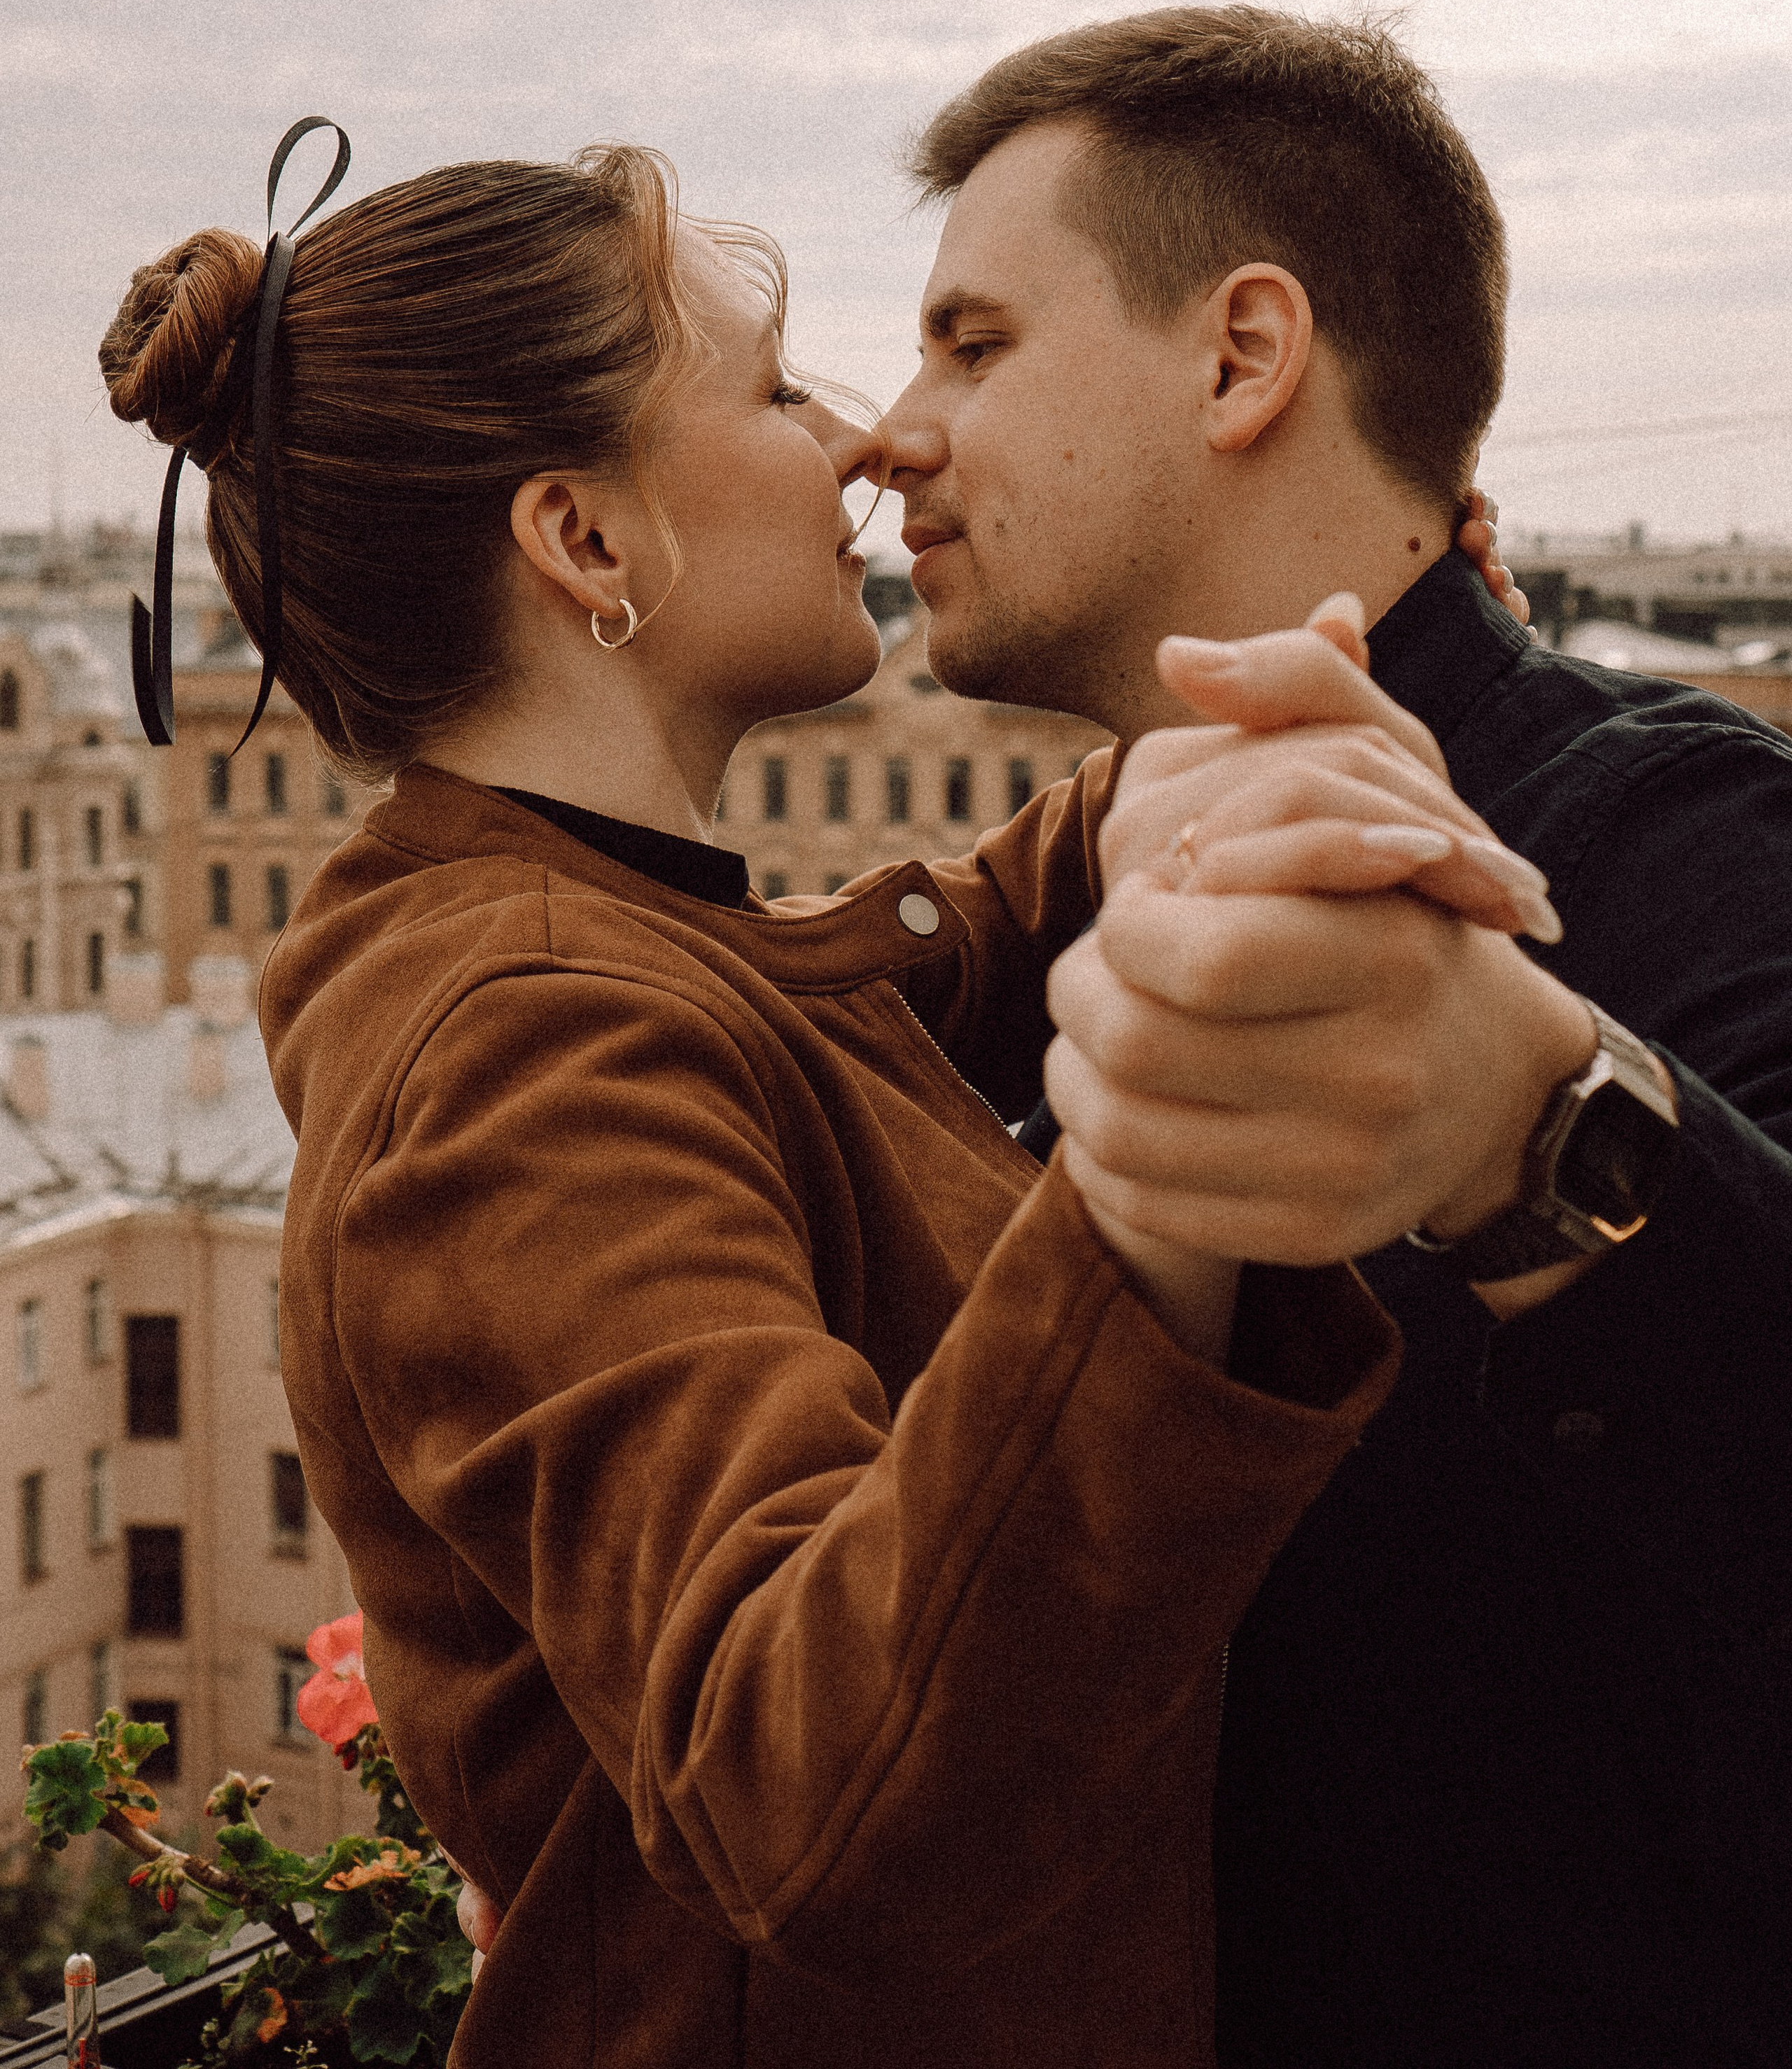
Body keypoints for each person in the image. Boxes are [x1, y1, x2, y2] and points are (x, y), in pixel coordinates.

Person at [97, 132, 1544, 2069]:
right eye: (773, 391)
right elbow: (816, 1786)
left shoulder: (591, 948)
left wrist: (1202, 762)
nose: (864, 439)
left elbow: (867, 989)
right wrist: (1165, 1154)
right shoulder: (522, 1042)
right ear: (585, 545)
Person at [880, 3, 1792, 2069]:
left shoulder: (1657, 833)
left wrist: (1536, 1122)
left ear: (1241, 356)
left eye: (976, 342)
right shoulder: (1069, 913)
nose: (892, 429)